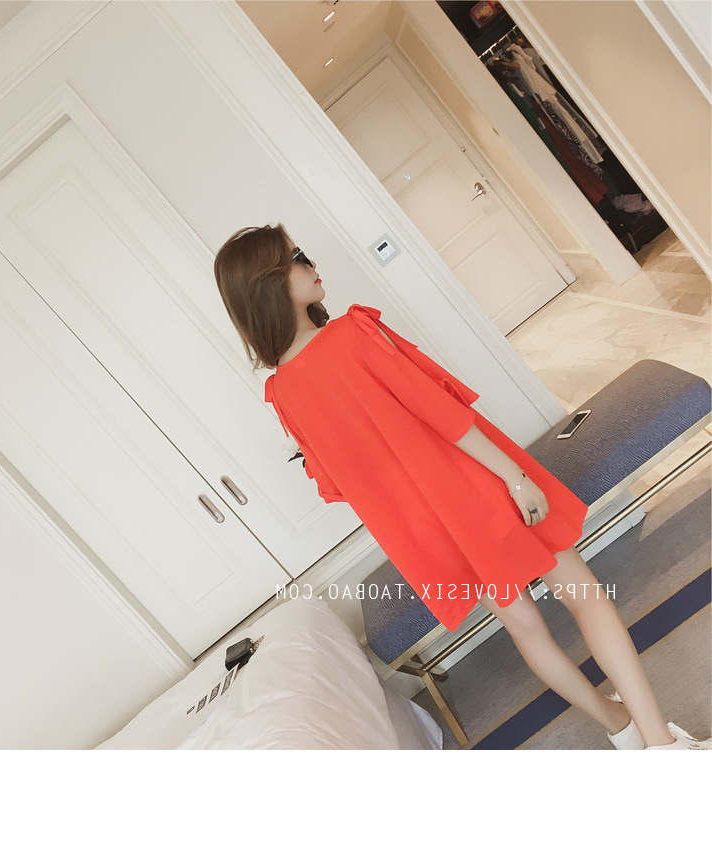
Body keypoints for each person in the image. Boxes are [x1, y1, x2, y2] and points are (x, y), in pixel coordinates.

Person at [214, 222, 710, 751]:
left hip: (438, 533)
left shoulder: (284, 393)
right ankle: (661, 745)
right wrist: (514, 476)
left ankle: (620, 727)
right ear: (270, 283)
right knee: (585, 598)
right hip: (479, 491)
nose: (311, 264)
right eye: (297, 257)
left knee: (526, 630)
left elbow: (337, 485)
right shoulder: (352, 333)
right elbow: (443, 413)